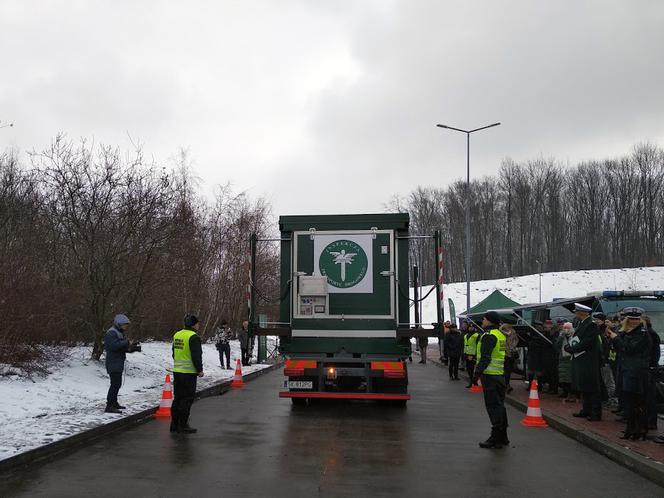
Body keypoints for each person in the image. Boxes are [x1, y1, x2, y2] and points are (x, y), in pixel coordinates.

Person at [607, 307, 651, 440]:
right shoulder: (626, 333)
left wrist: (616, 338)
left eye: (637, 319)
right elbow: (619, 348)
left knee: (637, 403)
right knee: (629, 403)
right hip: (626, 370)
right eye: (631, 319)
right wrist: (614, 338)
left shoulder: (642, 333)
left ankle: (639, 430)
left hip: (636, 372)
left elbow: (629, 348)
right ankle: (631, 429)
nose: (634, 321)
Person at [474, 311, 508, 449]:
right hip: (499, 375)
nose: (482, 321)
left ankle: (496, 438)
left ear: (489, 321)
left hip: (490, 376)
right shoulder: (500, 334)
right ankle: (503, 436)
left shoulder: (488, 336)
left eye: (484, 319)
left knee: (493, 406)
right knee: (500, 406)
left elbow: (485, 357)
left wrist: (476, 374)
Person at [565, 303, 602, 421]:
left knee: (591, 387)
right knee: (584, 386)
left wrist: (572, 349)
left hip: (588, 360)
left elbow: (587, 342)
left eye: (576, 312)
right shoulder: (582, 324)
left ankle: (595, 412)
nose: (575, 314)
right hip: (581, 359)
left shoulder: (591, 325)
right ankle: (586, 410)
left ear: (582, 313)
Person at [171, 314, 204, 434]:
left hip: (177, 371)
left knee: (178, 398)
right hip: (189, 372)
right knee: (187, 399)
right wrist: (199, 370)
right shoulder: (193, 337)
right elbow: (196, 355)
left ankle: (174, 424)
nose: (199, 325)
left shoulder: (177, 334)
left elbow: (174, 352)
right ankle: (183, 425)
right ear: (194, 324)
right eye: (198, 323)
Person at [103, 314, 139, 414]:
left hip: (118, 362)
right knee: (115, 384)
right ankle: (109, 405)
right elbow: (113, 346)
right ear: (119, 324)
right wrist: (127, 342)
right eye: (125, 325)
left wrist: (132, 348)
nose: (126, 327)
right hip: (113, 362)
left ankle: (114, 403)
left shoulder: (119, 333)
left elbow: (121, 347)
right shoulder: (111, 333)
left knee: (117, 384)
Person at [642, 315, 661, 431]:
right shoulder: (646, 332)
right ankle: (647, 420)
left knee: (650, 397)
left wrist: (652, 365)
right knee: (646, 397)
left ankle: (651, 421)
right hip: (647, 367)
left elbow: (655, 352)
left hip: (650, 368)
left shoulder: (650, 333)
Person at [555, 322, 575, 400]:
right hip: (563, 358)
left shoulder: (574, 336)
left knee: (570, 377)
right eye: (565, 328)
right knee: (563, 377)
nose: (567, 330)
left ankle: (571, 394)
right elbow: (557, 346)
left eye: (568, 328)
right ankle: (565, 392)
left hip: (571, 358)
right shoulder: (562, 336)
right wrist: (561, 336)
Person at [501, 323, 519, 393]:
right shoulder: (511, 332)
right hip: (508, 354)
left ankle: (506, 385)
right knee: (507, 371)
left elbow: (516, 340)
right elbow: (516, 341)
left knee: (507, 371)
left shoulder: (510, 332)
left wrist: (511, 347)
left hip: (508, 354)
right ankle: (506, 385)